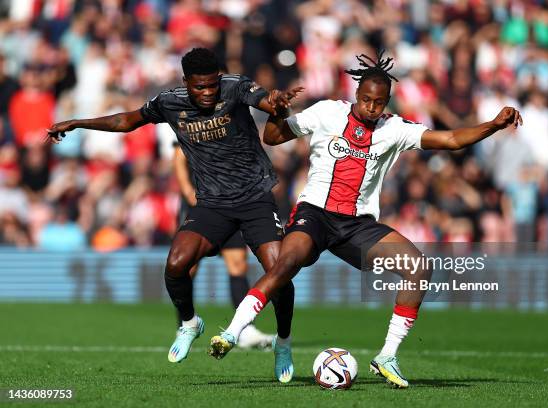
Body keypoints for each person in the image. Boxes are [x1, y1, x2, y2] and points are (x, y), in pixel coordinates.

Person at [209, 51, 522, 388]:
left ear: (387, 101)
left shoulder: (394, 128)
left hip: (357, 225)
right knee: (285, 265)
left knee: (418, 267)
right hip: (315, 213)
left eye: (379, 102)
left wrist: (493, 124)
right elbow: (272, 137)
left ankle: (387, 356)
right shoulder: (328, 112)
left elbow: (450, 139)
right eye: (366, 100)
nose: (372, 107)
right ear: (355, 95)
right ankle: (232, 333)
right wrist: (277, 113)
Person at [48, 47, 300, 383]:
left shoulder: (235, 86)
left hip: (256, 199)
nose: (208, 93)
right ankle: (190, 323)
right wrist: (78, 123)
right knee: (176, 264)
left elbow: (265, 101)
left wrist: (278, 103)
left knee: (279, 273)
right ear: (186, 83)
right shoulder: (169, 101)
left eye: (212, 85)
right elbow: (127, 121)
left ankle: (283, 342)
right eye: (200, 87)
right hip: (212, 204)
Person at [173, 145, 273, 348]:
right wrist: (187, 190)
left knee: (238, 265)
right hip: (201, 203)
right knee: (188, 268)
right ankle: (185, 325)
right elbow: (178, 155)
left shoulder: (232, 120)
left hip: (230, 201)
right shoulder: (193, 119)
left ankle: (245, 330)